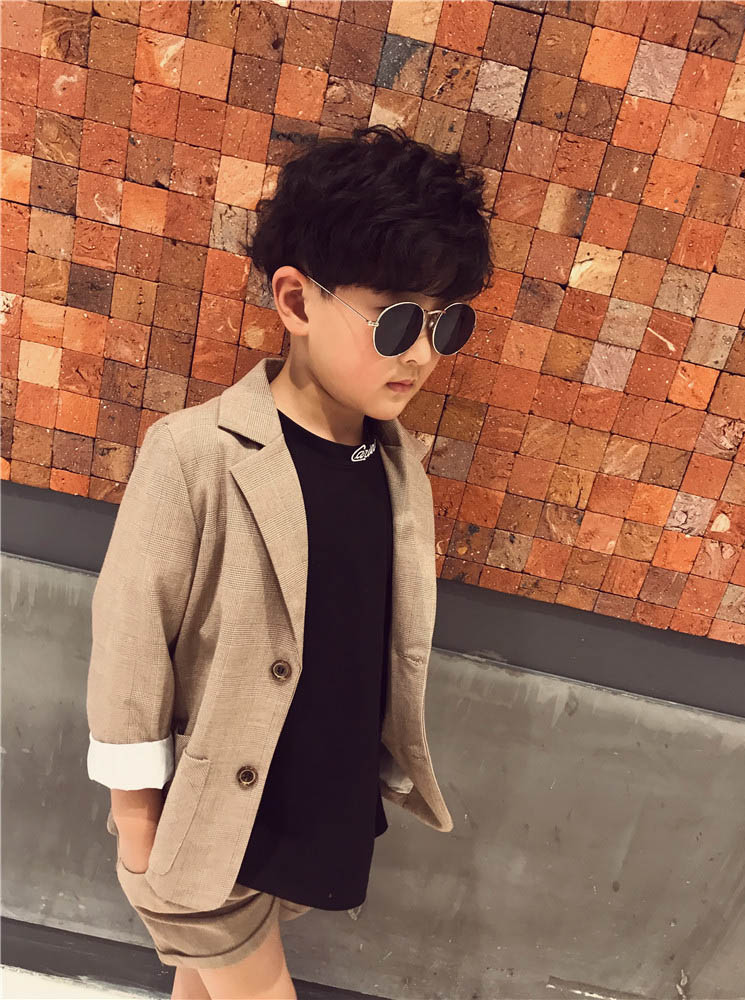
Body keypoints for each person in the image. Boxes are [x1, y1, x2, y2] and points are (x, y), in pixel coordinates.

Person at [86, 124, 493, 1000]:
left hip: (308, 803)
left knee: (204, 987)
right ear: (297, 300)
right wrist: (134, 818)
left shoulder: (396, 465)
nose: (422, 353)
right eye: (396, 320)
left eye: (445, 323)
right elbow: (129, 640)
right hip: (206, 820)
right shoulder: (195, 452)